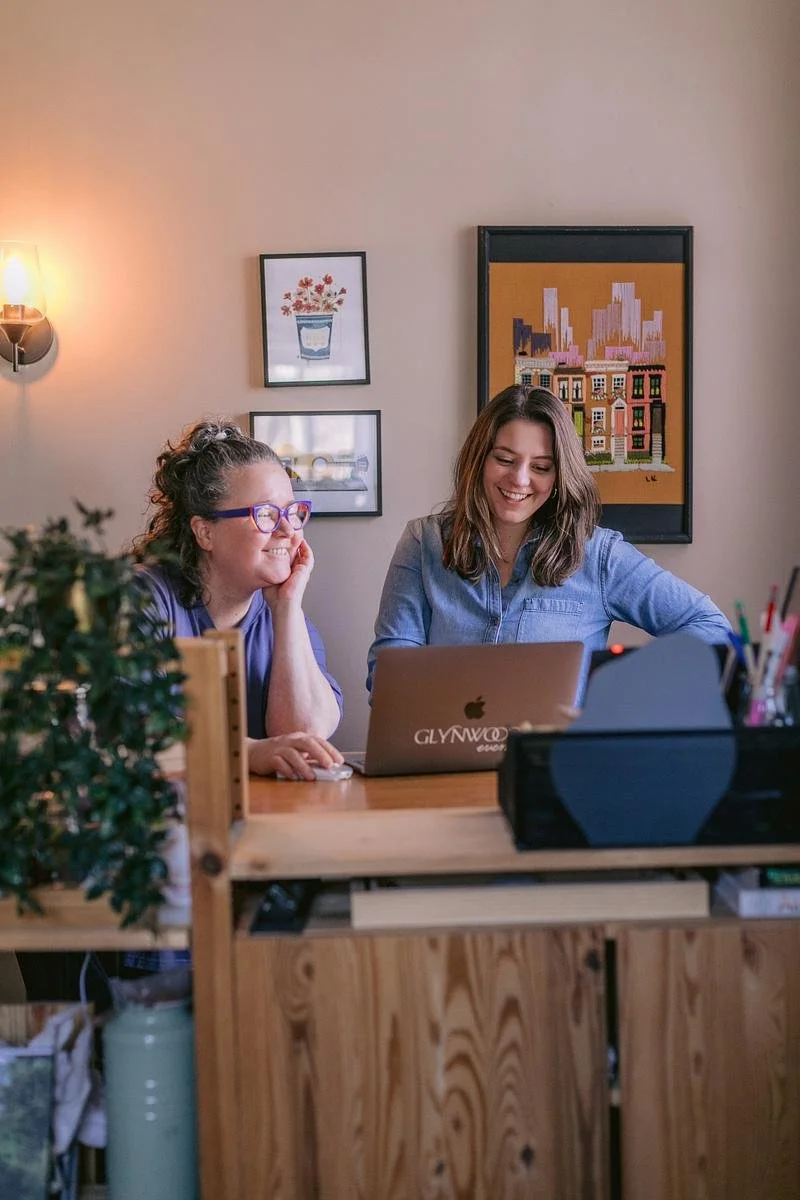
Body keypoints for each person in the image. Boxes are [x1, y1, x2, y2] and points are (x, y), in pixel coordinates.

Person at [368, 385, 731, 696]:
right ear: (479, 460)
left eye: (541, 467)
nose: (519, 480)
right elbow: (387, 674)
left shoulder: (598, 556)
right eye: (504, 459)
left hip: (557, 765)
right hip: (443, 757)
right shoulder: (423, 543)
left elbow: (712, 627)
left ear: (560, 475)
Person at [133, 418, 344, 779]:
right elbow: (124, 724)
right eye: (265, 514)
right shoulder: (145, 599)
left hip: (261, 821)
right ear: (205, 532)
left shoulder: (286, 619)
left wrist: (288, 607)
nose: (288, 530)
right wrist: (246, 752)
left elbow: (305, 738)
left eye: (293, 513)